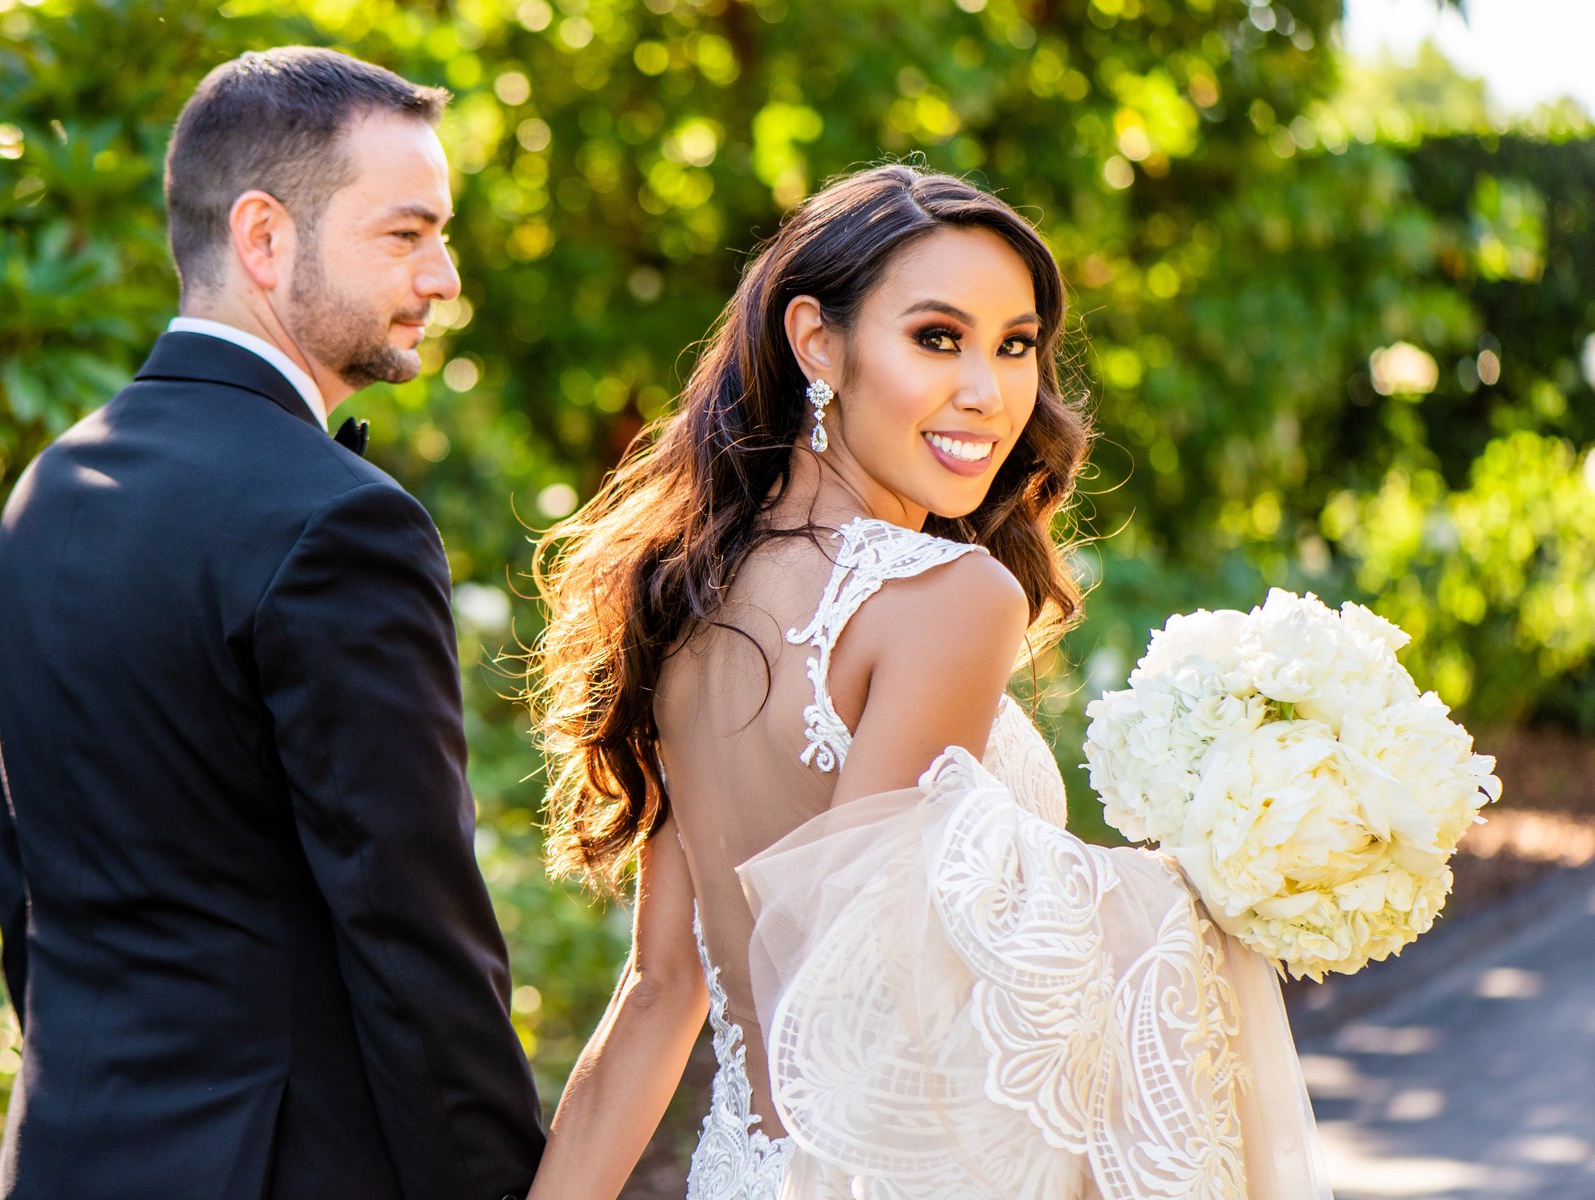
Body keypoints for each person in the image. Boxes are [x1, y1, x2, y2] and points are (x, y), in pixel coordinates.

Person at [525, 164, 1331, 1197]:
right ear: (817, 341)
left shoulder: (691, 592)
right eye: (936, 338)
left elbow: (657, 995)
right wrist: (1204, 881)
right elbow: (865, 995)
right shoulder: (952, 597)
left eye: (1015, 345)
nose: (987, 393)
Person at [0, 47, 544, 1199]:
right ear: (265, 238)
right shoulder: (342, 524)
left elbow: (25, 885)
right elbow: (413, 937)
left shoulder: (48, 489)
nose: (444, 278)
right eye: (406, 234)